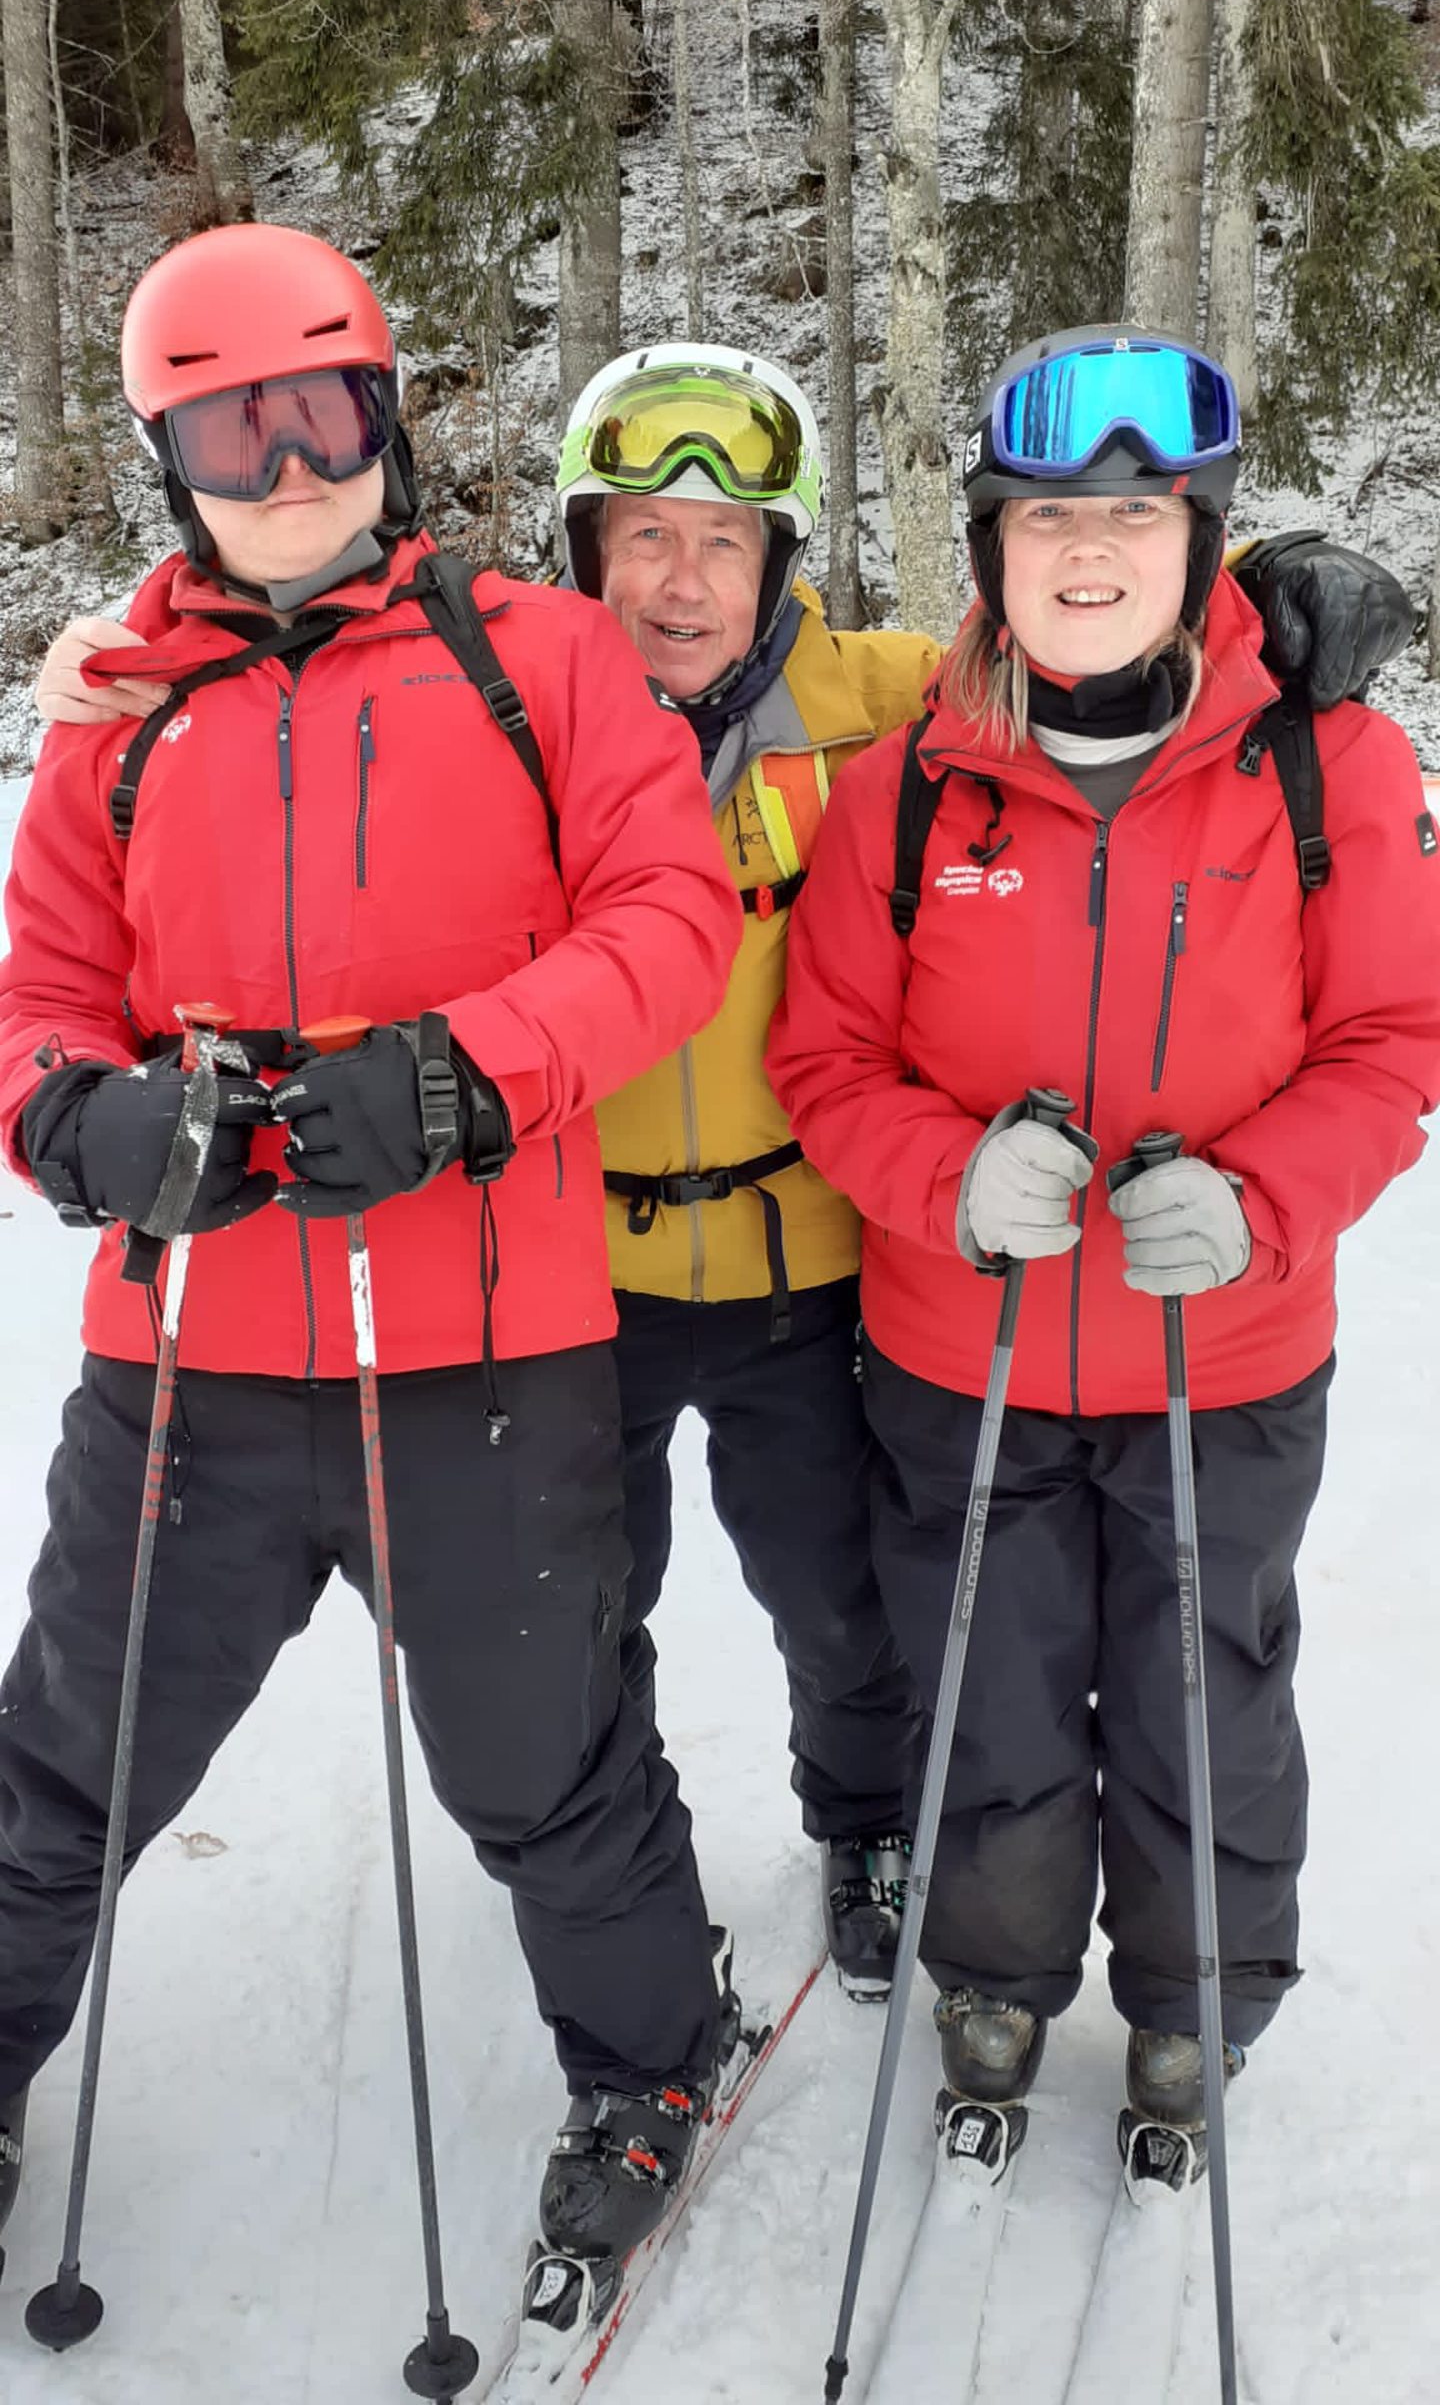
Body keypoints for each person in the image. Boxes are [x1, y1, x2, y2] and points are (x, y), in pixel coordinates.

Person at [34, 334, 1417, 2006]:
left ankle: (869, 1816)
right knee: (580, 1605)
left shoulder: (877, 706)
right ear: (584, 555)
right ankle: (620, 1864)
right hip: (577, 1277)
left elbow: (1082, 650)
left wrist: (1274, 590)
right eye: (641, 541)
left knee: (844, 1601)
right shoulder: (505, 703)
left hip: (805, 1262)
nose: (682, 584)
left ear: (783, 561)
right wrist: (119, 648)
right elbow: (312, 669)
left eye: (728, 543)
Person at [0, 222, 747, 2276]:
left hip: (487, 1346)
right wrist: (88, 1115)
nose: (287, 463)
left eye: (319, 408)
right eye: (233, 432)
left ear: (386, 418)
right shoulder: (120, 708)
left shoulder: (541, 656)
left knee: (545, 1750)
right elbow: (39, 993)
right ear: (177, 465)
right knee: (71, 1749)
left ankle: (651, 2051)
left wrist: (468, 1077)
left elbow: (667, 921)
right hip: (194, 1359)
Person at [767, 324, 1440, 2164]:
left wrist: (1255, 1196)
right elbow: (822, 1055)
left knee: (1200, 1688)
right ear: (989, 545)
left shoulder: (1326, 770)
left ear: (1202, 543)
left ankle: (1197, 1999)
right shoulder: (911, 787)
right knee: (986, 1679)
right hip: (956, 1356)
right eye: (1052, 514)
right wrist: (943, 1177)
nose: (1091, 551)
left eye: (1139, 518)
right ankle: (995, 1971)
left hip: (1220, 1357)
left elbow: (1396, 1040)